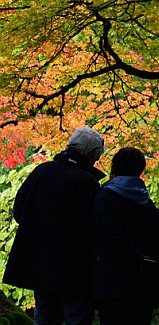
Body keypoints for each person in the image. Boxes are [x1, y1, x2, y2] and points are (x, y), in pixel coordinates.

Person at [3, 126, 106, 325]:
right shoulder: (87, 184)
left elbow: (19, 212)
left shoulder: (43, 171)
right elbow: (96, 229)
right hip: (75, 270)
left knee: (45, 318)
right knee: (77, 317)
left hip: (41, 265)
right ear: (91, 154)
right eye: (97, 157)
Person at [89, 147, 159, 325]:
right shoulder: (146, 202)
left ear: (115, 167)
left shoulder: (105, 198)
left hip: (112, 285)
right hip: (144, 286)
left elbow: (107, 232)